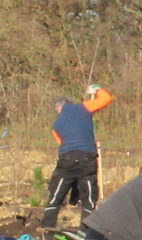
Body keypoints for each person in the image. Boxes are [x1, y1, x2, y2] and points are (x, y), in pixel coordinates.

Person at [37, 85, 114, 228]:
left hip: (67, 159)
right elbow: (106, 98)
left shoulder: (56, 125)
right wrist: (96, 89)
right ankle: (86, 234)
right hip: (88, 158)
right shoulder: (84, 107)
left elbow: (61, 144)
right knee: (89, 199)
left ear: (59, 109)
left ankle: (47, 231)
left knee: (55, 196)